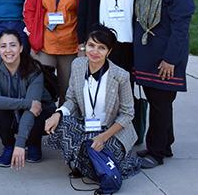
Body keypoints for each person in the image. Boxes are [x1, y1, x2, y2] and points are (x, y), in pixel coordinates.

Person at [44, 24, 140, 182]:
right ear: (85, 46)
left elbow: (128, 114)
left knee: (101, 157)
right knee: (60, 123)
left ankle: (86, 164)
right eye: (91, 45)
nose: (95, 51)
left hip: (111, 131)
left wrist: (103, 137)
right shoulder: (78, 65)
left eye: (101, 48)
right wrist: (57, 113)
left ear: (109, 52)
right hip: (87, 126)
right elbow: (72, 100)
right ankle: (84, 164)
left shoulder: (120, 76)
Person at [77, 0, 143, 141]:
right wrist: (83, 43)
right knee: (99, 92)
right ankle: (96, 136)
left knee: (123, 93)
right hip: (100, 46)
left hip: (127, 44)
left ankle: (122, 138)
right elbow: (84, 11)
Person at [133, 0, 195, 168]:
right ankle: (165, 144)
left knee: (160, 105)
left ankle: (155, 153)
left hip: (165, 61)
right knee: (158, 103)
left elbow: (180, 32)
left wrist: (170, 60)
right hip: (147, 58)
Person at [0, 30, 55, 168]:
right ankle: (8, 146)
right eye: (3, 46)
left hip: (38, 112)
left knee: (37, 111)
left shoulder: (34, 69)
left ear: (21, 48)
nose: (8, 50)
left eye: (13, 45)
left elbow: (33, 108)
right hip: (16, 109)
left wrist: (21, 143)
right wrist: (26, 103)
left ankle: (33, 143)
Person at [24, 0, 81, 105]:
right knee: (43, 90)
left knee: (68, 91)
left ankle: (64, 126)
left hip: (70, 45)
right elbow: (29, 10)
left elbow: (83, 13)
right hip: (44, 44)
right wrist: (32, 36)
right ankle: (43, 126)